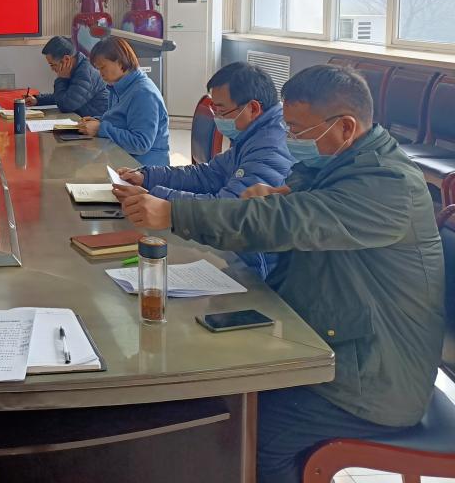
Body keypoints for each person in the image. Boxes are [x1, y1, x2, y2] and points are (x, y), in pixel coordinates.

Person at [115, 65, 444, 483]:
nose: (289, 138)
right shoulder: (350, 161)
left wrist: (173, 213)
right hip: (347, 341)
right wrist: (279, 193)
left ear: (345, 127)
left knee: (252, 434)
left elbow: (289, 221)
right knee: (221, 388)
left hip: (375, 381)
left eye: (299, 131)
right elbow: (302, 202)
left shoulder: (389, 184)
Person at [116, 62, 293, 280]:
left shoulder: (270, 148)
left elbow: (229, 210)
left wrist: (158, 199)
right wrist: (148, 177)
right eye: (214, 110)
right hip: (233, 249)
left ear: (253, 109)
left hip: (256, 268)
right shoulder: (253, 134)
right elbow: (209, 174)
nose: (217, 118)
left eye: (222, 111)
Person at [77, 36, 170, 166]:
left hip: (146, 169)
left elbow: (140, 144)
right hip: (124, 161)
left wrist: (100, 128)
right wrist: (98, 121)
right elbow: (121, 121)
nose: (100, 73)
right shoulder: (118, 87)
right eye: (98, 69)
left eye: (103, 67)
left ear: (120, 62)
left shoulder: (143, 93)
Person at [26, 35, 109, 117]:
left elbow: (66, 106)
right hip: (82, 118)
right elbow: (64, 96)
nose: (52, 69)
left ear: (66, 59)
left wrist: (61, 78)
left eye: (52, 65)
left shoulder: (85, 73)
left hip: (97, 122)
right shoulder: (76, 66)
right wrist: (38, 100)